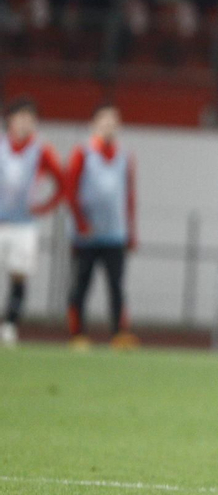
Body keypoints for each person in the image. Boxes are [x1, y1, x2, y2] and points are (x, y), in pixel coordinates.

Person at [64, 105, 137, 350]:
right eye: (104, 122)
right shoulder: (82, 153)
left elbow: (129, 197)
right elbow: (70, 192)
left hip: (114, 234)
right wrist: (82, 224)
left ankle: (119, 333)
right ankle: (78, 334)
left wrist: (131, 232)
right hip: (86, 236)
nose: (109, 127)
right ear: (94, 125)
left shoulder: (125, 157)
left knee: (116, 286)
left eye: (113, 122)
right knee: (81, 285)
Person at [0, 97, 68, 345]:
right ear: (10, 119)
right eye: (21, 118)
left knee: (19, 274)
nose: (25, 123)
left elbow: (62, 182)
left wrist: (44, 206)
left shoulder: (41, 150)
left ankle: (9, 324)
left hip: (23, 225)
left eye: (31, 119)